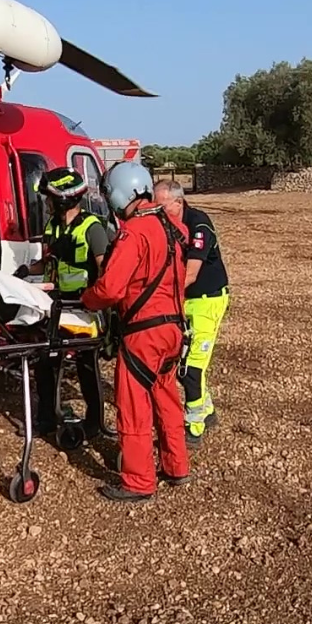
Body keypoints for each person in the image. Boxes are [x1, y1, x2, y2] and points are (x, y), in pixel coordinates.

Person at [80, 162, 191, 502]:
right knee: (167, 397)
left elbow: (112, 288)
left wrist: (88, 300)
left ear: (118, 195)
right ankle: (176, 466)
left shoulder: (135, 232)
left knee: (132, 405)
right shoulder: (172, 227)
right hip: (174, 329)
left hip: (145, 333)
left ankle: (139, 480)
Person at [21, 167, 114, 439]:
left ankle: (94, 420)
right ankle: (47, 418)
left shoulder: (92, 228)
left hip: (85, 309)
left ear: (61, 200)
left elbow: (105, 270)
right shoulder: (53, 226)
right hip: (59, 304)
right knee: (46, 361)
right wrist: (24, 273)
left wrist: (95, 301)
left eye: (49, 199)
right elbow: (47, 261)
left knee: (87, 365)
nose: (46, 204)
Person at [154, 179, 230, 444]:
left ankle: (194, 425)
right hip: (186, 300)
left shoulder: (198, 224)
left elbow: (190, 273)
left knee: (190, 367)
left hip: (206, 300)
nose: (158, 211)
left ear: (179, 201)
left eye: (162, 206)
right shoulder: (166, 222)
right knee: (182, 359)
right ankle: (207, 410)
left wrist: (158, 294)